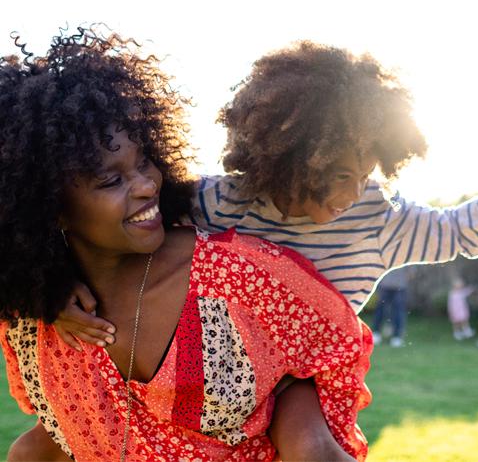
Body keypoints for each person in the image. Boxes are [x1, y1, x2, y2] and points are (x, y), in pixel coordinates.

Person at [0, 30, 370, 462]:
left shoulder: (239, 276)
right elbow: (56, 437)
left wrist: (305, 432)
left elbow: (332, 350)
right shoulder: (31, 314)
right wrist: (42, 296)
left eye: (143, 163)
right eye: (111, 180)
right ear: (47, 206)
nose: (145, 185)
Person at [371, 267, 410, 347]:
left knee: (398, 311)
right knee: (380, 309)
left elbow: (411, 271)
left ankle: (397, 336)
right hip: (384, 285)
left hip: (400, 285)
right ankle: (376, 332)